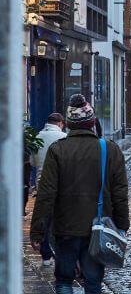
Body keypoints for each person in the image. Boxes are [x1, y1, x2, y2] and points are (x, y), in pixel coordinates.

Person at [30, 95, 129, 294]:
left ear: (68, 124)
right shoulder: (109, 149)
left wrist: (38, 230)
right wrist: (122, 225)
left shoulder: (57, 150)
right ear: (92, 122)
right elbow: (120, 192)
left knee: (64, 280)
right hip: (98, 225)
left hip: (65, 227)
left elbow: (46, 194)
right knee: (93, 281)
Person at [30, 113, 66, 266]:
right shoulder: (64, 138)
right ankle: (59, 252)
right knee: (59, 219)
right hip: (60, 183)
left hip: (41, 183)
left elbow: (32, 162)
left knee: (44, 218)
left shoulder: (37, 137)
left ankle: (46, 256)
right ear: (60, 123)